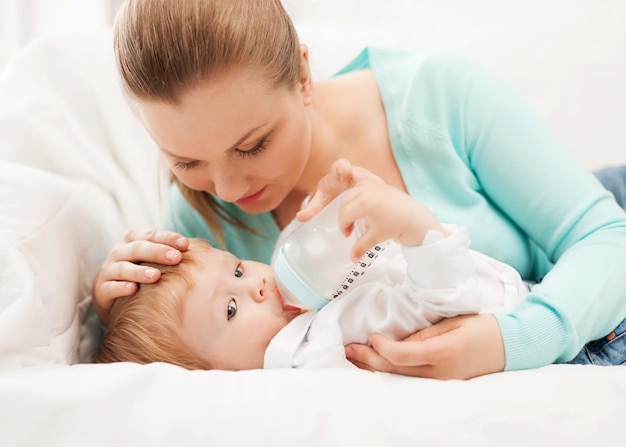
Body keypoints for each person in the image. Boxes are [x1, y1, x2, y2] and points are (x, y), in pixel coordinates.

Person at [93, 0, 626, 379]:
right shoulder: (198, 219)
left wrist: (513, 341)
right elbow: (177, 336)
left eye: (252, 146)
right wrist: (114, 306)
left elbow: (605, 236)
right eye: (186, 160)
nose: (228, 189)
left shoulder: (439, 97)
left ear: (302, 76)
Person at [98, 161, 530, 370]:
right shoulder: (321, 342)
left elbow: (314, 251)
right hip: (571, 340)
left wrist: (330, 212)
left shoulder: (298, 303)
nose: (258, 284)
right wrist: (415, 229)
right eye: (230, 308)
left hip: (539, 300)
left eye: (236, 270)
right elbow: (436, 306)